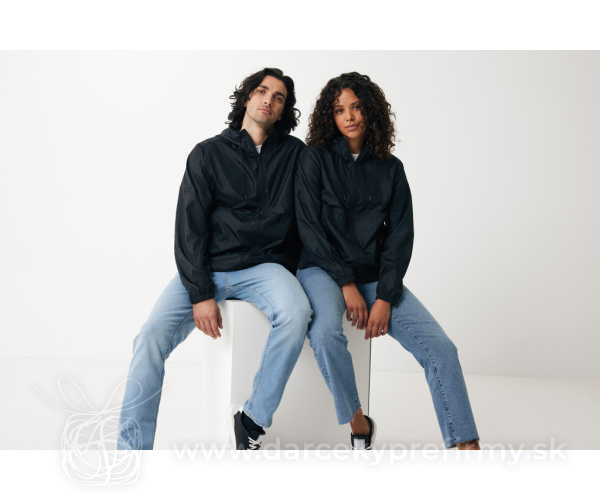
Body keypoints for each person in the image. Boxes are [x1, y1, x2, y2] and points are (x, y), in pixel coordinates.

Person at [117, 68, 312, 451]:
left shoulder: (295, 155)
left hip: (264, 268)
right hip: (206, 266)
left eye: (279, 97)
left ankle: (252, 418)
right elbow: (189, 228)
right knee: (150, 337)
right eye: (262, 91)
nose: (269, 100)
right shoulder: (207, 154)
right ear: (247, 97)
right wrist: (200, 293)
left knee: (297, 312)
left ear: (284, 109)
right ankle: (131, 453)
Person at [295, 72, 480, 450]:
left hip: (375, 276)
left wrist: (385, 296)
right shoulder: (313, 158)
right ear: (329, 116)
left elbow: (399, 238)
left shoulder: (391, 169)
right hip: (321, 268)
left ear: (371, 111)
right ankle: (359, 424)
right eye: (339, 110)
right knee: (325, 334)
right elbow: (309, 228)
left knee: (442, 350)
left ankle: (466, 447)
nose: (349, 116)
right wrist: (346, 282)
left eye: (356, 107)